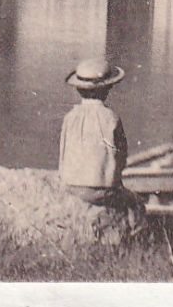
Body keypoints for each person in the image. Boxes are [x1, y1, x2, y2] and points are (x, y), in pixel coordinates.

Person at [58, 56, 136, 208]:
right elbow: (121, 156)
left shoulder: (70, 117)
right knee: (133, 202)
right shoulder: (111, 118)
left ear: (79, 89)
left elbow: (63, 154)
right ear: (107, 89)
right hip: (102, 190)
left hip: (71, 187)